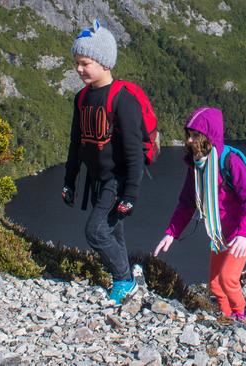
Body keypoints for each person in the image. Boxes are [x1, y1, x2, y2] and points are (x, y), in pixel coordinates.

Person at [62, 20, 144, 304]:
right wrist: (68, 182)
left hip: (116, 180)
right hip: (96, 179)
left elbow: (134, 152)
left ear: (104, 62)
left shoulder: (123, 100)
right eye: (76, 62)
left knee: (96, 231)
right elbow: (76, 143)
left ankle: (125, 280)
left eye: (84, 62)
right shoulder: (81, 98)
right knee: (113, 232)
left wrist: (131, 193)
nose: (79, 69)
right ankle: (130, 276)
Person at [153, 107, 246, 320]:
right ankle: (225, 315)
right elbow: (186, 203)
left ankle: (240, 314)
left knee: (228, 279)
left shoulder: (230, 162)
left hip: (238, 234)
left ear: (208, 137)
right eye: (189, 136)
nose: (190, 141)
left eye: (195, 136)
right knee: (214, 284)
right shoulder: (196, 166)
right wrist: (171, 233)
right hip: (219, 233)